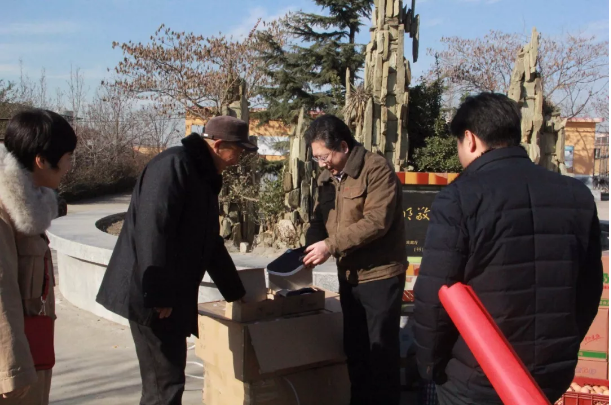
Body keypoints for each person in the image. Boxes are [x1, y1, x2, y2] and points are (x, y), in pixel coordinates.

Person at [413, 92, 603, 404]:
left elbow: (435, 295)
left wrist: (429, 364)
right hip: (549, 375)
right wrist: (562, 348)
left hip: (476, 375)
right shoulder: (575, 195)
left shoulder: (460, 197)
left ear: (470, 139)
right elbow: (589, 289)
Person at [96, 116, 257, 405]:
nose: (239, 159)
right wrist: (159, 295)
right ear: (218, 145)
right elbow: (153, 229)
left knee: (169, 382)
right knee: (164, 388)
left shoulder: (202, 174)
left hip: (170, 296)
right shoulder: (173, 166)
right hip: (153, 296)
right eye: (238, 150)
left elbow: (209, 242)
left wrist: (236, 292)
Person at [303, 115, 407, 405]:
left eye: (324, 156)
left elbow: (377, 221)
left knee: (381, 356)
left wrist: (330, 246)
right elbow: (319, 219)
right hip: (349, 275)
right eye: (316, 158)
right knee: (356, 353)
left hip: (380, 275)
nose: (321, 164)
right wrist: (308, 248)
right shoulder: (326, 177)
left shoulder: (376, 169)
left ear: (343, 147)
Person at [0, 109, 77, 404]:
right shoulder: (4, 212)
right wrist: (11, 370)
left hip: (34, 351)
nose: (69, 166)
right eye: (68, 157)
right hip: (14, 367)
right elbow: (2, 293)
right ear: (41, 160)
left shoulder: (32, 205)